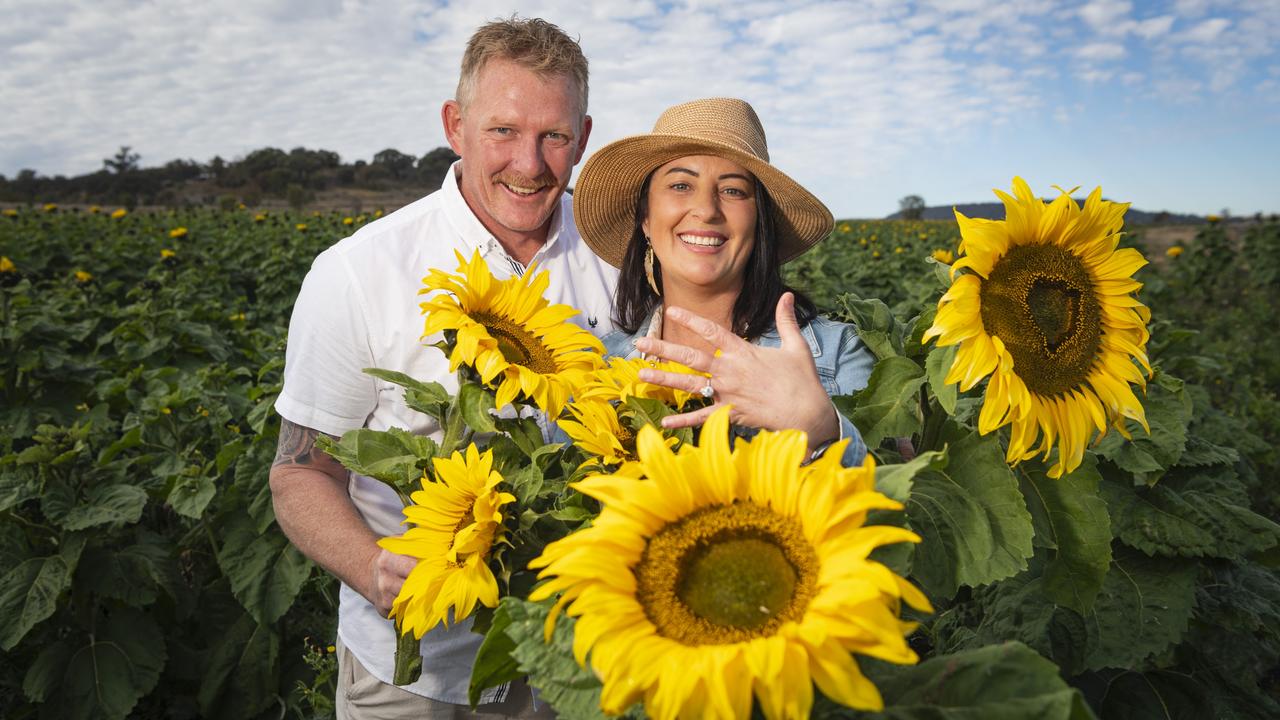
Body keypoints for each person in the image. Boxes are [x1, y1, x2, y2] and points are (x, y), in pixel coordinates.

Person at [269, 17, 616, 719]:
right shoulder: (360, 273)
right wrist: (373, 568)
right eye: (503, 131)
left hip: (573, 659)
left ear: (583, 138)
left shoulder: (622, 257)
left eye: (554, 136)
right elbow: (300, 470)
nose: (529, 162)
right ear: (455, 125)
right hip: (413, 670)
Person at [572, 97, 874, 466]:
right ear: (646, 219)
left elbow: (898, 508)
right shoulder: (599, 368)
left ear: (759, 223)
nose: (707, 210)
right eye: (681, 185)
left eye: (733, 190)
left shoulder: (836, 352)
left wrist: (823, 432)